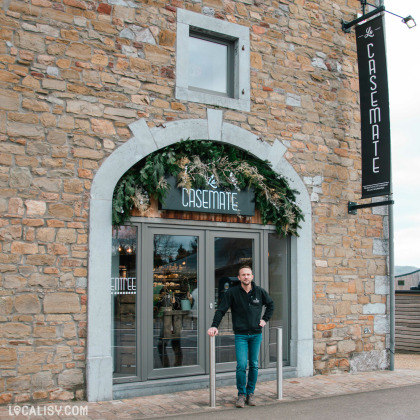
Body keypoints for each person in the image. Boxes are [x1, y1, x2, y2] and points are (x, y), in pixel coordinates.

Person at [207, 265, 274, 408]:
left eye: (248, 274)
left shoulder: (259, 292)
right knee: (242, 365)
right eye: (243, 275)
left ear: (252, 276)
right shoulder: (232, 293)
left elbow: (271, 305)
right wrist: (214, 325)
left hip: (256, 334)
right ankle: (241, 395)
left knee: (254, 365)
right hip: (241, 335)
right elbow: (221, 310)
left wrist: (265, 319)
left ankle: (251, 394)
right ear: (239, 277)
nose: (246, 277)